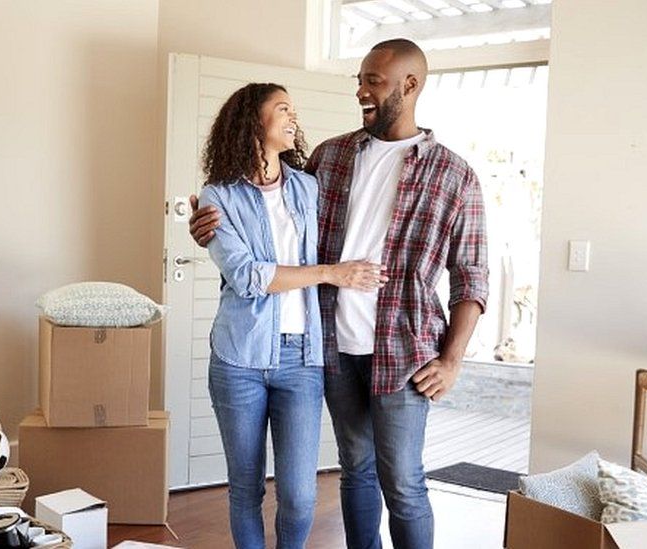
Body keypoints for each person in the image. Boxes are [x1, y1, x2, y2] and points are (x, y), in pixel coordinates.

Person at [190, 39, 489, 549]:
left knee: (405, 483)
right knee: (356, 470)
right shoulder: (330, 157)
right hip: (327, 348)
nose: (360, 91)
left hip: (404, 352)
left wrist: (453, 359)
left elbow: (472, 274)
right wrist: (206, 228)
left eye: (373, 80)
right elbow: (269, 215)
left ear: (409, 85)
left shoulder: (453, 174)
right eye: (360, 79)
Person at [198, 82, 388, 549]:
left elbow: (351, 231)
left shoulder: (307, 187)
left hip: (301, 360)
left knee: (301, 495)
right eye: (283, 108)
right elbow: (246, 277)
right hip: (238, 358)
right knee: (244, 489)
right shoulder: (217, 195)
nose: (293, 117)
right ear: (252, 120)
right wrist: (329, 273)